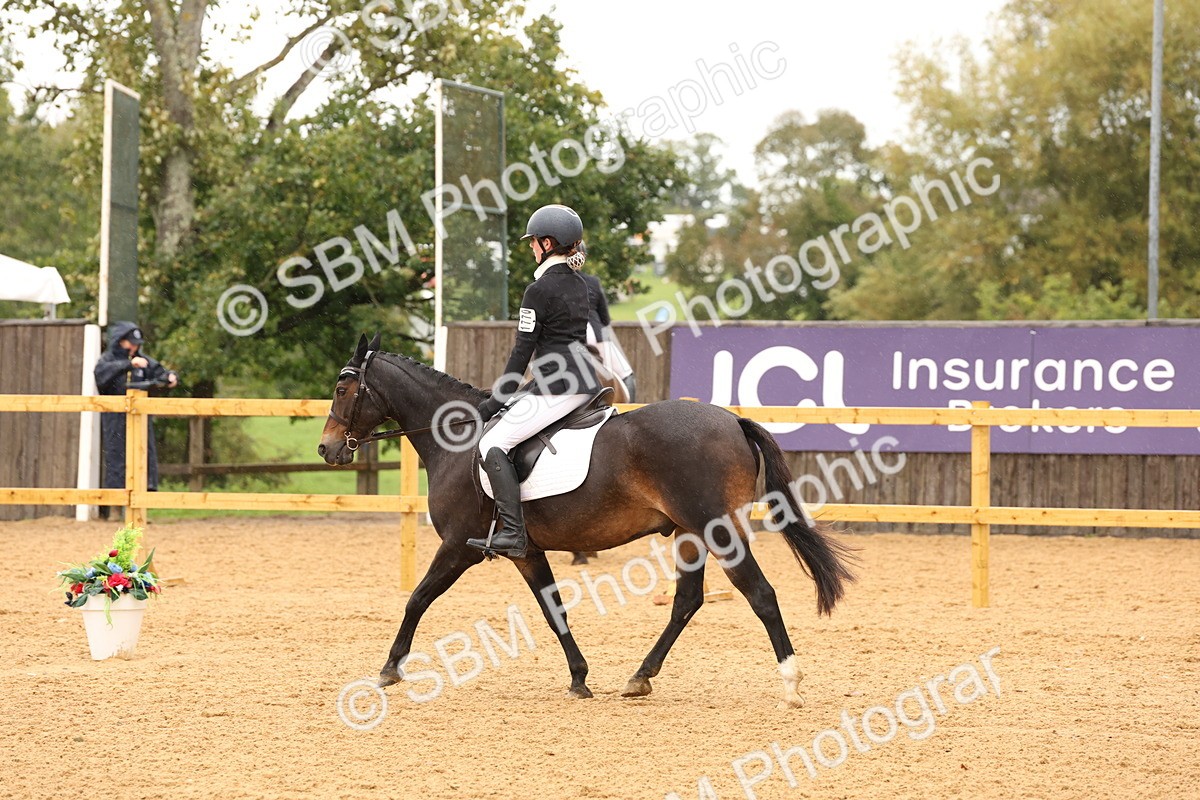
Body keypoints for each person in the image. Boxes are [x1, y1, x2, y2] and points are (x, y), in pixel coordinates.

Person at [466, 204, 599, 558]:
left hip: (558, 387)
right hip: (583, 382)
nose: (530, 248)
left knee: (492, 444)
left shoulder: (538, 291)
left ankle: (513, 533)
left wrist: (495, 400)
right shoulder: (581, 285)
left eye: (533, 242)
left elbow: (521, 353)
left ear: (548, 243)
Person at [94, 321, 179, 503]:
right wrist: (128, 365)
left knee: (144, 456)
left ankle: (143, 499)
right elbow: (101, 376)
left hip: (140, 417)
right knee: (117, 458)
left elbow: (160, 372)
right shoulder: (108, 360)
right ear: (120, 342)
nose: (135, 347)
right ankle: (115, 507)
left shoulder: (143, 360)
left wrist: (170, 376)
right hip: (115, 418)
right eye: (131, 343)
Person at [579, 260, 637, 402]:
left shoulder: (553, 282)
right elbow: (605, 318)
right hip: (594, 335)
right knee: (626, 375)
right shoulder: (592, 281)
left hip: (567, 339)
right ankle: (627, 412)